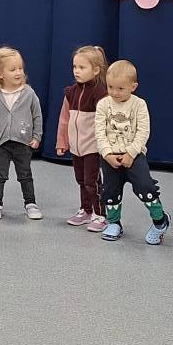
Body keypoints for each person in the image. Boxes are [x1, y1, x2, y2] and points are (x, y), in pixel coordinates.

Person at [95, 59, 170, 244]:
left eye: (120, 88)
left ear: (133, 87)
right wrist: (107, 154)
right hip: (110, 157)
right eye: (110, 87)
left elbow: (143, 131)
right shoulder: (103, 105)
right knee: (110, 191)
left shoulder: (139, 104)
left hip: (134, 157)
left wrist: (130, 153)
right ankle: (114, 223)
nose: (115, 92)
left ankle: (160, 220)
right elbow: (99, 132)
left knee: (145, 187)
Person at [0, 46, 43, 221]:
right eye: (13, 69)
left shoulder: (29, 93)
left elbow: (37, 115)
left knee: (25, 175)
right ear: (0, 74)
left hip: (23, 142)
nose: (18, 72)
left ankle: (31, 204)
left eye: (20, 68)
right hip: (0, 143)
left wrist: (36, 136)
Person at [55, 45, 108, 232]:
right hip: (76, 147)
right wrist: (62, 142)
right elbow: (64, 119)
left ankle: (100, 214)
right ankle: (85, 210)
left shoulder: (101, 93)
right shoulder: (71, 92)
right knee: (81, 180)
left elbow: (105, 121)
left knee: (92, 181)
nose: (76, 71)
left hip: (92, 146)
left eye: (82, 67)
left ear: (96, 70)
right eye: (75, 67)